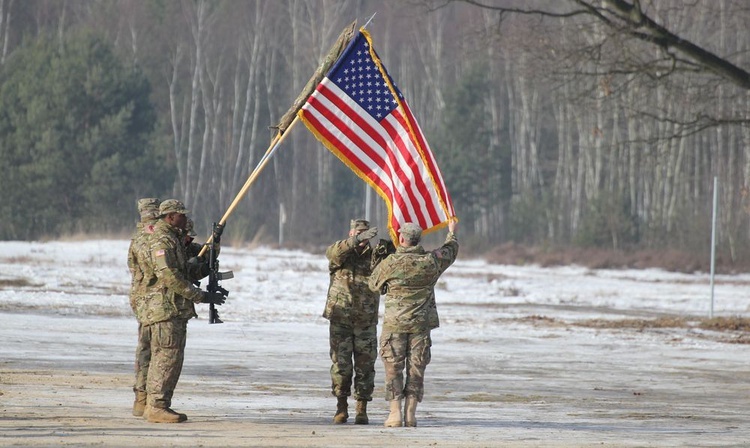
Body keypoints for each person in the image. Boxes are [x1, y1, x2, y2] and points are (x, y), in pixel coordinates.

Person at [139, 199, 227, 423]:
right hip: (165, 309)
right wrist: (201, 296)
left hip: (174, 309)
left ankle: (157, 404)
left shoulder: (173, 240)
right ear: (170, 216)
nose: (185, 219)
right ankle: (156, 406)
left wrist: (214, 244)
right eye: (181, 215)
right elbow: (169, 276)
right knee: (165, 358)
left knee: (171, 358)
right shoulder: (163, 240)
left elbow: (187, 270)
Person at [368, 220, 458, 428]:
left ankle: (394, 414)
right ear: (418, 239)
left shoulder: (391, 262)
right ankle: (410, 415)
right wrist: (451, 233)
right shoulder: (430, 262)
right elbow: (450, 252)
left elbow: (373, 284)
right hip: (420, 326)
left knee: (393, 369)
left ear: (401, 238)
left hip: (395, 326)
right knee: (416, 370)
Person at [323, 219, 380, 424]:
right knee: (341, 365)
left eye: (366, 233)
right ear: (351, 233)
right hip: (341, 319)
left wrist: (390, 246)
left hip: (366, 320)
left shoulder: (375, 256)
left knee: (366, 366)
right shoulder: (341, 253)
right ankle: (341, 406)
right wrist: (355, 241)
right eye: (358, 232)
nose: (363, 237)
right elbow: (333, 253)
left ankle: (361, 408)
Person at [127, 197, 160, 417]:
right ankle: (147, 399)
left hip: (140, 299)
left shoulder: (136, 239)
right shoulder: (151, 237)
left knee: (144, 348)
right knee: (155, 350)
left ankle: (140, 399)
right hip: (151, 300)